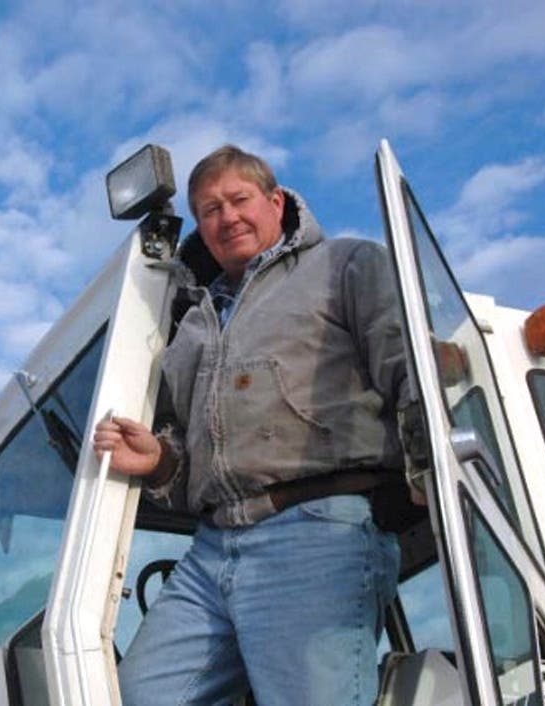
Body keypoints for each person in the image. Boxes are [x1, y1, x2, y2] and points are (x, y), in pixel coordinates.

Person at [93, 144, 412, 705]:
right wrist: (161, 462)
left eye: (238, 199)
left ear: (276, 200)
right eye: (210, 210)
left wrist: (433, 464)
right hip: (214, 545)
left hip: (315, 528)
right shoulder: (194, 321)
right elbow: (201, 445)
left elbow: (407, 366)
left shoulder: (345, 264)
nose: (226, 217)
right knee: (139, 696)